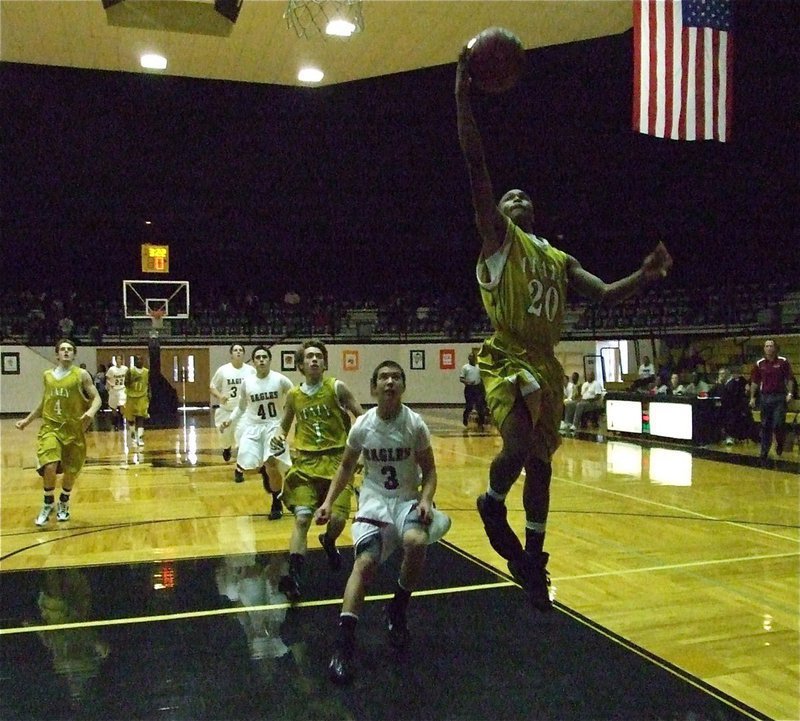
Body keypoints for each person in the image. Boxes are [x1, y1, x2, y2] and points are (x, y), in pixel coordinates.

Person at [455, 47, 673, 611]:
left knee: (544, 465)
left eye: (525, 195)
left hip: (547, 363)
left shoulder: (555, 256)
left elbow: (602, 294)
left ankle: (534, 557)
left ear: (536, 210)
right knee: (520, 444)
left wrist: (644, 276)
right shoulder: (499, 240)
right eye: (510, 196)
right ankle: (491, 497)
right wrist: (462, 96)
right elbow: (477, 166)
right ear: (499, 211)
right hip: (507, 355)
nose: (517, 197)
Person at [314, 360, 451, 684]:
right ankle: (344, 644)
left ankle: (398, 608)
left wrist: (426, 500)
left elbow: (430, 471)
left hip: (405, 499)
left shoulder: (414, 424)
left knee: (416, 542)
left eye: (396, 377)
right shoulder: (362, 425)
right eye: (383, 377)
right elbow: (346, 467)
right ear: (374, 388)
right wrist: (328, 502)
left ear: (403, 386)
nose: (390, 382)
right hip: (373, 501)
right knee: (366, 563)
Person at [270, 340, 363, 602]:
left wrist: (363, 452)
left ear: (324, 363)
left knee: (336, 521)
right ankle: (294, 577)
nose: (314, 360)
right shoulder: (294, 395)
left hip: (337, 463)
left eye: (318, 356)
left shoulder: (337, 388)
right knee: (301, 519)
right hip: (306, 465)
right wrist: (278, 437)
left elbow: (363, 418)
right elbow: (283, 426)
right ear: (300, 365)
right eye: (309, 357)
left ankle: (330, 541)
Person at [15, 339, 101, 525]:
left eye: (70, 349)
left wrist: (90, 412)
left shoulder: (81, 375)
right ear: (57, 354)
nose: (66, 352)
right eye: (63, 349)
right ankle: (47, 503)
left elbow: (97, 398)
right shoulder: (47, 375)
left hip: (73, 429)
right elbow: (43, 403)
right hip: (51, 428)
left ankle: (64, 501)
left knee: (71, 471)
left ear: (74, 354)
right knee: (50, 464)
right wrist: (27, 421)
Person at [221, 346, 293, 521]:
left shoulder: (280, 380)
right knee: (248, 468)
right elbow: (241, 406)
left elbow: (296, 396)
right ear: (253, 362)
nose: (261, 360)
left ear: (269, 360)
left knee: (271, 464)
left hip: (273, 426)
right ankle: (264, 471)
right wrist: (230, 420)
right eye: (258, 357)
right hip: (253, 427)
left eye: (264, 357)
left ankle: (276, 502)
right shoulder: (248, 382)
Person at [210, 343, 256, 462]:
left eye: (241, 350)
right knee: (225, 437)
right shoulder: (223, 370)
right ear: (231, 354)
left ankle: (240, 465)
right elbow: (212, 387)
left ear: (244, 353)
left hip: (243, 411)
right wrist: (220, 396)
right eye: (235, 350)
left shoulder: (250, 370)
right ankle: (226, 448)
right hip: (226, 410)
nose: (238, 352)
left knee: (242, 436)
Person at [750, 339, 794, 460]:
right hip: (765, 397)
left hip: (779, 397)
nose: (769, 348)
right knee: (765, 425)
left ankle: (780, 443)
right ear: (764, 348)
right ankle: (764, 451)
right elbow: (755, 381)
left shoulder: (783, 362)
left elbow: (789, 378)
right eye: (767, 346)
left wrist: (790, 393)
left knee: (778, 424)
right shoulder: (759, 364)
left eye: (771, 346)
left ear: (775, 348)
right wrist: (752, 397)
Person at [124, 355, 150, 447]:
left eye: (141, 359)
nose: (139, 361)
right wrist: (133, 381)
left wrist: (149, 394)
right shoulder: (130, 371)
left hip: (142, 397)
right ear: (134, 361)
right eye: (137, 359)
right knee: (130, 419)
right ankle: (133, 435)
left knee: (140, 417)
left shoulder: (146, 372)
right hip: (131, 396)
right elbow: (126, 383)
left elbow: (148, 384)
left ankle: (140, 437)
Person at [459, 351, 487, 430]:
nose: (471, 358)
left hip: (478, 388)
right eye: (469, 357)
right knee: (469, 406)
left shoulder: (479, 367)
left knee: (480, 405)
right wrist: (468, 382)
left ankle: (481, 422)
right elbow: (461, 378)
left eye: (472, 357)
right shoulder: (465, 367)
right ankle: (465, 419)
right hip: (469, 388)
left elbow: (482, 377)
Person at [105, 354, 128, 431]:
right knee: (113, 408)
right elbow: (107, 378)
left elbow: (128, 377)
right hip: (114, 390)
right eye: (117, 359)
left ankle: (121, 422)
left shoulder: (125, 369)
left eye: (120, 359)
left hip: (122, 389)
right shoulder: (112, 369)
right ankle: (115, 424)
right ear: (115, 360)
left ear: (122, 360)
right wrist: (109, 384)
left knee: (122, 406)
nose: (119, 360)